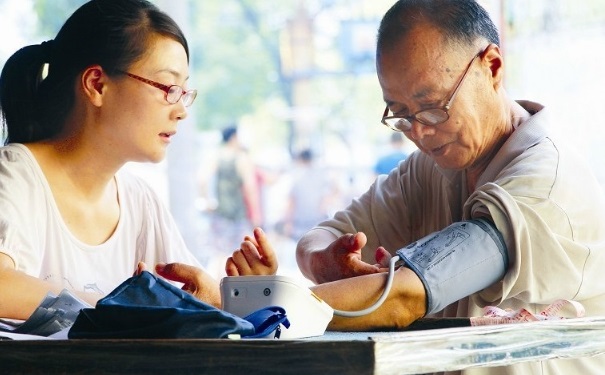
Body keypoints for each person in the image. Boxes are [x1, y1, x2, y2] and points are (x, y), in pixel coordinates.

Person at [286, 0, 605, 373]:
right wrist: (322, 261)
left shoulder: (544, 184)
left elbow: (403, 295)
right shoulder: (428, 170)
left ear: (493, 67)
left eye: (433, 105)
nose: (419, 132)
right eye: (401, 114)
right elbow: (324, 235)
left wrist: (256, 315)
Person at [0, 0, 222, 320]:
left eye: (185, 92)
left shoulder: (139, 201)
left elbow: (188, 299)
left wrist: (244, 289)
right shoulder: (15, 176)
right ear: (97, 85)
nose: (181, 110)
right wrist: (125, 308)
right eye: (169, 88)